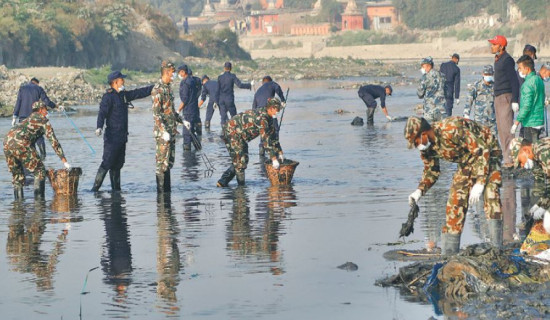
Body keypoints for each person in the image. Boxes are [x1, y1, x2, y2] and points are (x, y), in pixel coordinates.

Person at [404, 116, 503, 255]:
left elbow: (481, 150)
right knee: (455, 202)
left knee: (491, 194)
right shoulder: (426, 148)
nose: (417, 146)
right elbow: (431, 171)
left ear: (424, 134)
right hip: (466, 161)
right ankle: (449, 255)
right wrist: (419, 191)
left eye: (416, 142)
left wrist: (480, 182)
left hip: (489, 152)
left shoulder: (451, 129)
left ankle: (496, 249)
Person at [92, 71, 154, 192]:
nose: (123, 81)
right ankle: (95, 189)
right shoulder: (108, 97)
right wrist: (99, 126)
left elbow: (138, 93)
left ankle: (116, 191)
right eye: (121, 79)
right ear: (115, 82)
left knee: (118, 165)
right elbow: (102, 113)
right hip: (111, 137)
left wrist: (154, 87)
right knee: (107, 162)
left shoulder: (123, 95)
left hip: (122, 137)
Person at [4, 100, 71, 199]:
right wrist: (64, 161)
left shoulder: (27, 119)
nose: (47, 112)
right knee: (40, 171)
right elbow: (54, 142)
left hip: (6, 142)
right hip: (21, 143)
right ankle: (40, 205)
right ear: (40, 110)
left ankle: (18, 209)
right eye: (45, 110)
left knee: (17, 177)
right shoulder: (43, 121)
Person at [217, 98, 284, 187]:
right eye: (277, 109)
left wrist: (280, 152)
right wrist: (274, 159)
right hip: (232, 132)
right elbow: (266, 141)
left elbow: (272, 136)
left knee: (243, 160)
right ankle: (241, 189)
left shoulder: (269, 117)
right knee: (240, 162)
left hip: (240, 135)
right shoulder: (262, 119)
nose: (278, 112)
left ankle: (222, 182)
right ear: (271, 108)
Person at [510, 137, 550, 257]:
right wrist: (539, 205)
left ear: (526, 150)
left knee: (548, 222)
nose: (522, 166)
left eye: (520, 161)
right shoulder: (538, 156)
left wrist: (544, 206)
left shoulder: (542, 151)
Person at [12, 77, 63, 160]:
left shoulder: (22, 88)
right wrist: (56, 106)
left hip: (23, 117)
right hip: (34, 116)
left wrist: (14, 116)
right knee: (39, 135)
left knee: (26, 137)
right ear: (36, 83)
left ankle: (31, 157)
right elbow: (46, 101)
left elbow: (18, 102)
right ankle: (43, 156)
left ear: (30, 82)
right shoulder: (38, 88)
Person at [489, 35, 520, 167]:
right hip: (498, 97)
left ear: (501, 46)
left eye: (494, 44)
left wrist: (514, 100)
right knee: (501, 129)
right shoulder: (498, 59)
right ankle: (506, 158)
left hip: (506, 97)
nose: (492, 46)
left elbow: (514, 81)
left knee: (507, 129)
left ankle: (510, 159)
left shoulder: (507, 60)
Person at [152, 61, 181, 193]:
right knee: (161, 164)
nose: (174, 75)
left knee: (169, 163)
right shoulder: (158, 89)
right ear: (167, 72)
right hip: (163, 134)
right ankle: (162, 198)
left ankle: (167, 195)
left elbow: (170, 110)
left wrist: (181, 120)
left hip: (171, 130)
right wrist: (163, 131)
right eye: (173, 72)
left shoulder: (168, 88)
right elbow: (157, 114)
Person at [510, 55, 545, 143]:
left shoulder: (527, 84)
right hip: (539, 121)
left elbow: (526, 106)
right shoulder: (539, 80)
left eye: (520, 68)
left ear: (527, 69)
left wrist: (516, 123)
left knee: (529, 152)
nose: (519, 70)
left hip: (530, 124)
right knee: (537, 151)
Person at [253, 76, 286, 156]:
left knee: (263, 131)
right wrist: (283, 100)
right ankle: (275, 149)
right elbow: (277, 87)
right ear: (270, 81)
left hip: (259, 114)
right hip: (269, 111)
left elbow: (254, 107)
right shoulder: (271, 84)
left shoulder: (258, 91)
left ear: (262, 82)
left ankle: (261, 149)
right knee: (275, 129)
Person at [463, 65, 496, 134]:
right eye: (486, 74)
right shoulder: (476, 86)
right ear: (483, 74)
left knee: (493, 141)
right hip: (480, 120)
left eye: (490, 74)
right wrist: (466, 114)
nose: (488, 76)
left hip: (492, 120)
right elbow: (469, 100)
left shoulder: (495, 86)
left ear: (493, 74)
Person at [176, 65, 200, 151]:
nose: (178, 74)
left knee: (186, 134)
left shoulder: (186, 83)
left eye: (179, 72)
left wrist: (178, 110)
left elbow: (185, 99)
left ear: (183, 72)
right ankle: (198, 149)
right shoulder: (192, 80)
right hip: (193, 109)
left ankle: (187, 157)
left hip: (188, 111)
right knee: (192, 132)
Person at [417, 57, 446, 122]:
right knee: (442, 129)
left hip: (429, 109)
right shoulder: (442, 75)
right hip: (441, 109)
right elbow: (447, 90)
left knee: (429, 130)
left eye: (423, 67)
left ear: (428, 66)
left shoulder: (425, 77)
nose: (422, 69)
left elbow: (420, 94)